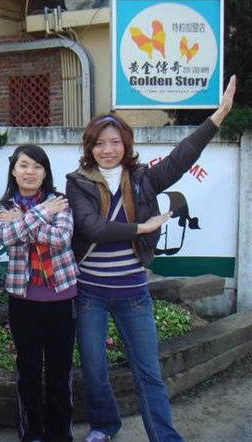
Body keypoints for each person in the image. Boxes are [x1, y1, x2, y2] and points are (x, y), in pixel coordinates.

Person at [65, 75, 237, 442]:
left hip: (133, 293)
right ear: (90, 147)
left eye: (115, 142)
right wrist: (141, 228)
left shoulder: (144, 179)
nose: (107, 149)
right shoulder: (77, 182)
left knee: (149, 372)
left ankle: (164, 436)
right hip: (90, 293)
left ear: (126, 144)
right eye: (99, 143)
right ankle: (104, 426)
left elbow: (182, 156)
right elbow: (92, 228)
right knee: (95, 370)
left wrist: (219, 115)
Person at [0, 144, 79, 442]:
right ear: (13, 171)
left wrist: (23, 222)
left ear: (45, 173)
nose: (30, 172)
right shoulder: (4, 207)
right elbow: (5, 236)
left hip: (61, 297)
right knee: (28, 370)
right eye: (23, 165)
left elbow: (62, 238)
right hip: (23, 300)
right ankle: (31, 432)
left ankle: (60, 433)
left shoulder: (60, 201)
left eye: (37, 166)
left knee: (59, 371)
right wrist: (42, 214)